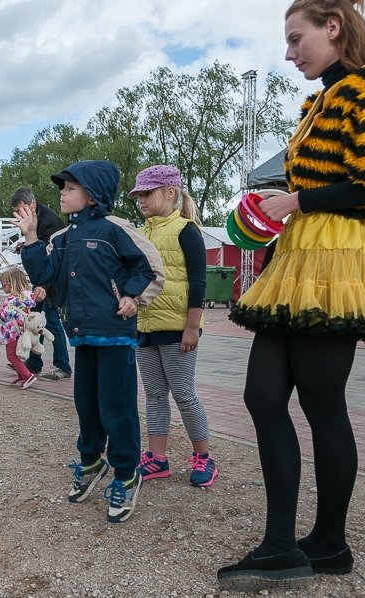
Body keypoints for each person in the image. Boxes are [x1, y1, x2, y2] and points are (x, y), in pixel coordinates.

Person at [220, 0, 365, 590]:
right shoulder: (320, 102)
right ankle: (285, 544)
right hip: (302, 251)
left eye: (295, 37)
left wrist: (301, 201)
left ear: (332, 27)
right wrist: (281, 203)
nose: (288, 53)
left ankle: (327, 543)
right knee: (263, 396)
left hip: (337, 258)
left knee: (321, 402)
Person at [14, 159, 164, 524]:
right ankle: (92, 461)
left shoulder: (116, 229)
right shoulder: (61, 239)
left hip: (115, 335)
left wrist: (132, 295)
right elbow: (45, 275)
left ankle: (127, 474)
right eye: (62, 188)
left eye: (69, 188)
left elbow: (151, 269)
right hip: (83, 336)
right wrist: (31, 238)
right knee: (87, 405)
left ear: (92, 195)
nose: (62, 194)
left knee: (118, 408)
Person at [129, 165, 217, 488]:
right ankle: (157, 457)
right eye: (138, 195)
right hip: (146, 326)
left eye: (147, 193)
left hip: (179, 328)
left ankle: (204, 457)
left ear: (170, 193)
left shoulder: (186, 230)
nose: (141, 200)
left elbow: (198, 281)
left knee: (183, 392)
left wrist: (193, 326)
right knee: (153, 394)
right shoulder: (141, 232)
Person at [10, 187, 72, 381]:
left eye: (22, 210)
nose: (21, 215)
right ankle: (34, 364)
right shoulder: (34, 221)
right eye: (17, 212)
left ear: (33, 204)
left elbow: (53, 259)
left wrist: (43, 287)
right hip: (41, 284)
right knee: (34, 322)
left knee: (52, 324)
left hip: (52, 285)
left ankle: (63, 366)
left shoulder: (51, 223)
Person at [0, 267, 37, 389]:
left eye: (4, 284)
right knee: (16, 355)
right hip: (20, 330)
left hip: (12, 331)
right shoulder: (24, 297)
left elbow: (6, 315)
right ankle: (22, 375)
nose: (3, 287)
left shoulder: (14, 300)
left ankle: (27, 375)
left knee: (11, 355)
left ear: (11, 283)